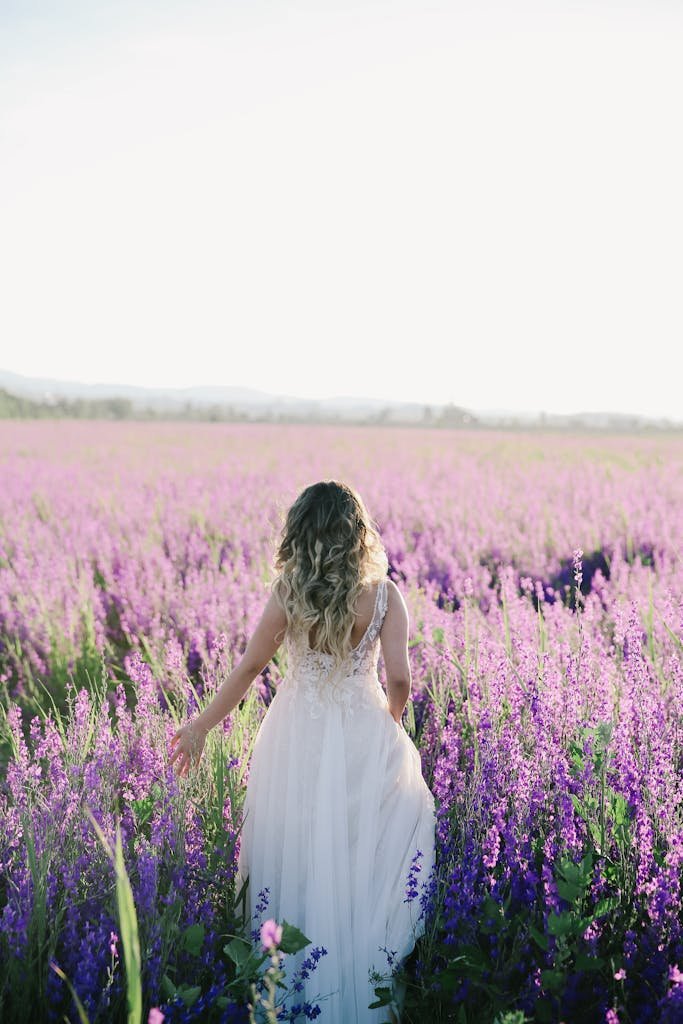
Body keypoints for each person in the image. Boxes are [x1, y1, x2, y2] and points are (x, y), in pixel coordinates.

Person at [170, 480, 436, 1023]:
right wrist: (387, 727)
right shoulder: (385, 596)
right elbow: (402, 681)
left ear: (300, 531)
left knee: (295, 850)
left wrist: (200, 725)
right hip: (363, 728)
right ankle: (358, 981)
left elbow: (249, 669)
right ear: (358, 533)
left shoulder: (289, 591)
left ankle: (284, 987)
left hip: (296, 733)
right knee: (359, 855)